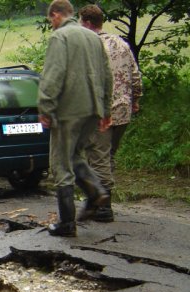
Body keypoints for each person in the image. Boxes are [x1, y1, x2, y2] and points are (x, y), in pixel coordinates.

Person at [38, 0, 113, 237]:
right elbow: (107, 75)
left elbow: (53, 74)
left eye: (51, 19)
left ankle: (67, 223)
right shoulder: (93, 37)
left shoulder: (60, 38)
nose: (51, 24)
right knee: (76, 155)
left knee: (61, 163)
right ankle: (97, 192)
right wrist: (106, 110)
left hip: (69, 110)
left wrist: (46, 108)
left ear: (57, 15)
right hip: (93, 108)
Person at [79, 4, 143, 222]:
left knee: (97, 159)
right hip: (123, 110)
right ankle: (99, 199)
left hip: (100, 112)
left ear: (87, 23)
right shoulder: (120, 43)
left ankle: (103, 206)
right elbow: (135, 75)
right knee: (108, 156)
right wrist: (135, 100)